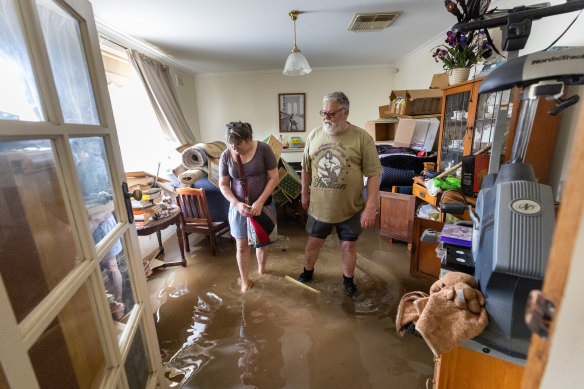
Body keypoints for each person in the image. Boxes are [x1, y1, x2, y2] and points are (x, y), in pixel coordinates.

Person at [297, 91, 382, 297]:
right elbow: (306, 167)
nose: (326, 117)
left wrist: (371, 206)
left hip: (350, 207)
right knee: (314, 243)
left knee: (348, 246)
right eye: (323, 113)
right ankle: (308, 273)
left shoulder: (362, 138)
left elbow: (373, 174)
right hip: (319, 206)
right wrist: (304, 193)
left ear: (345, 113)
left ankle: (348, 281)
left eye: (331, 113)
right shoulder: (314, 135)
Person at [219, 122, 279, 293]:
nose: (235, 148)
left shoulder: (264, 150)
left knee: (262, 242)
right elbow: (223, 184)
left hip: (263, 205)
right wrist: (237, 204)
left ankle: (262, 271)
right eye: (231, 144)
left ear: (248, 139)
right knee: (241, 246)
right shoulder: (226, 156)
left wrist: (260, 201)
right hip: (239, 208)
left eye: (238, 144)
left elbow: (274, 178)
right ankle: (245, 282)